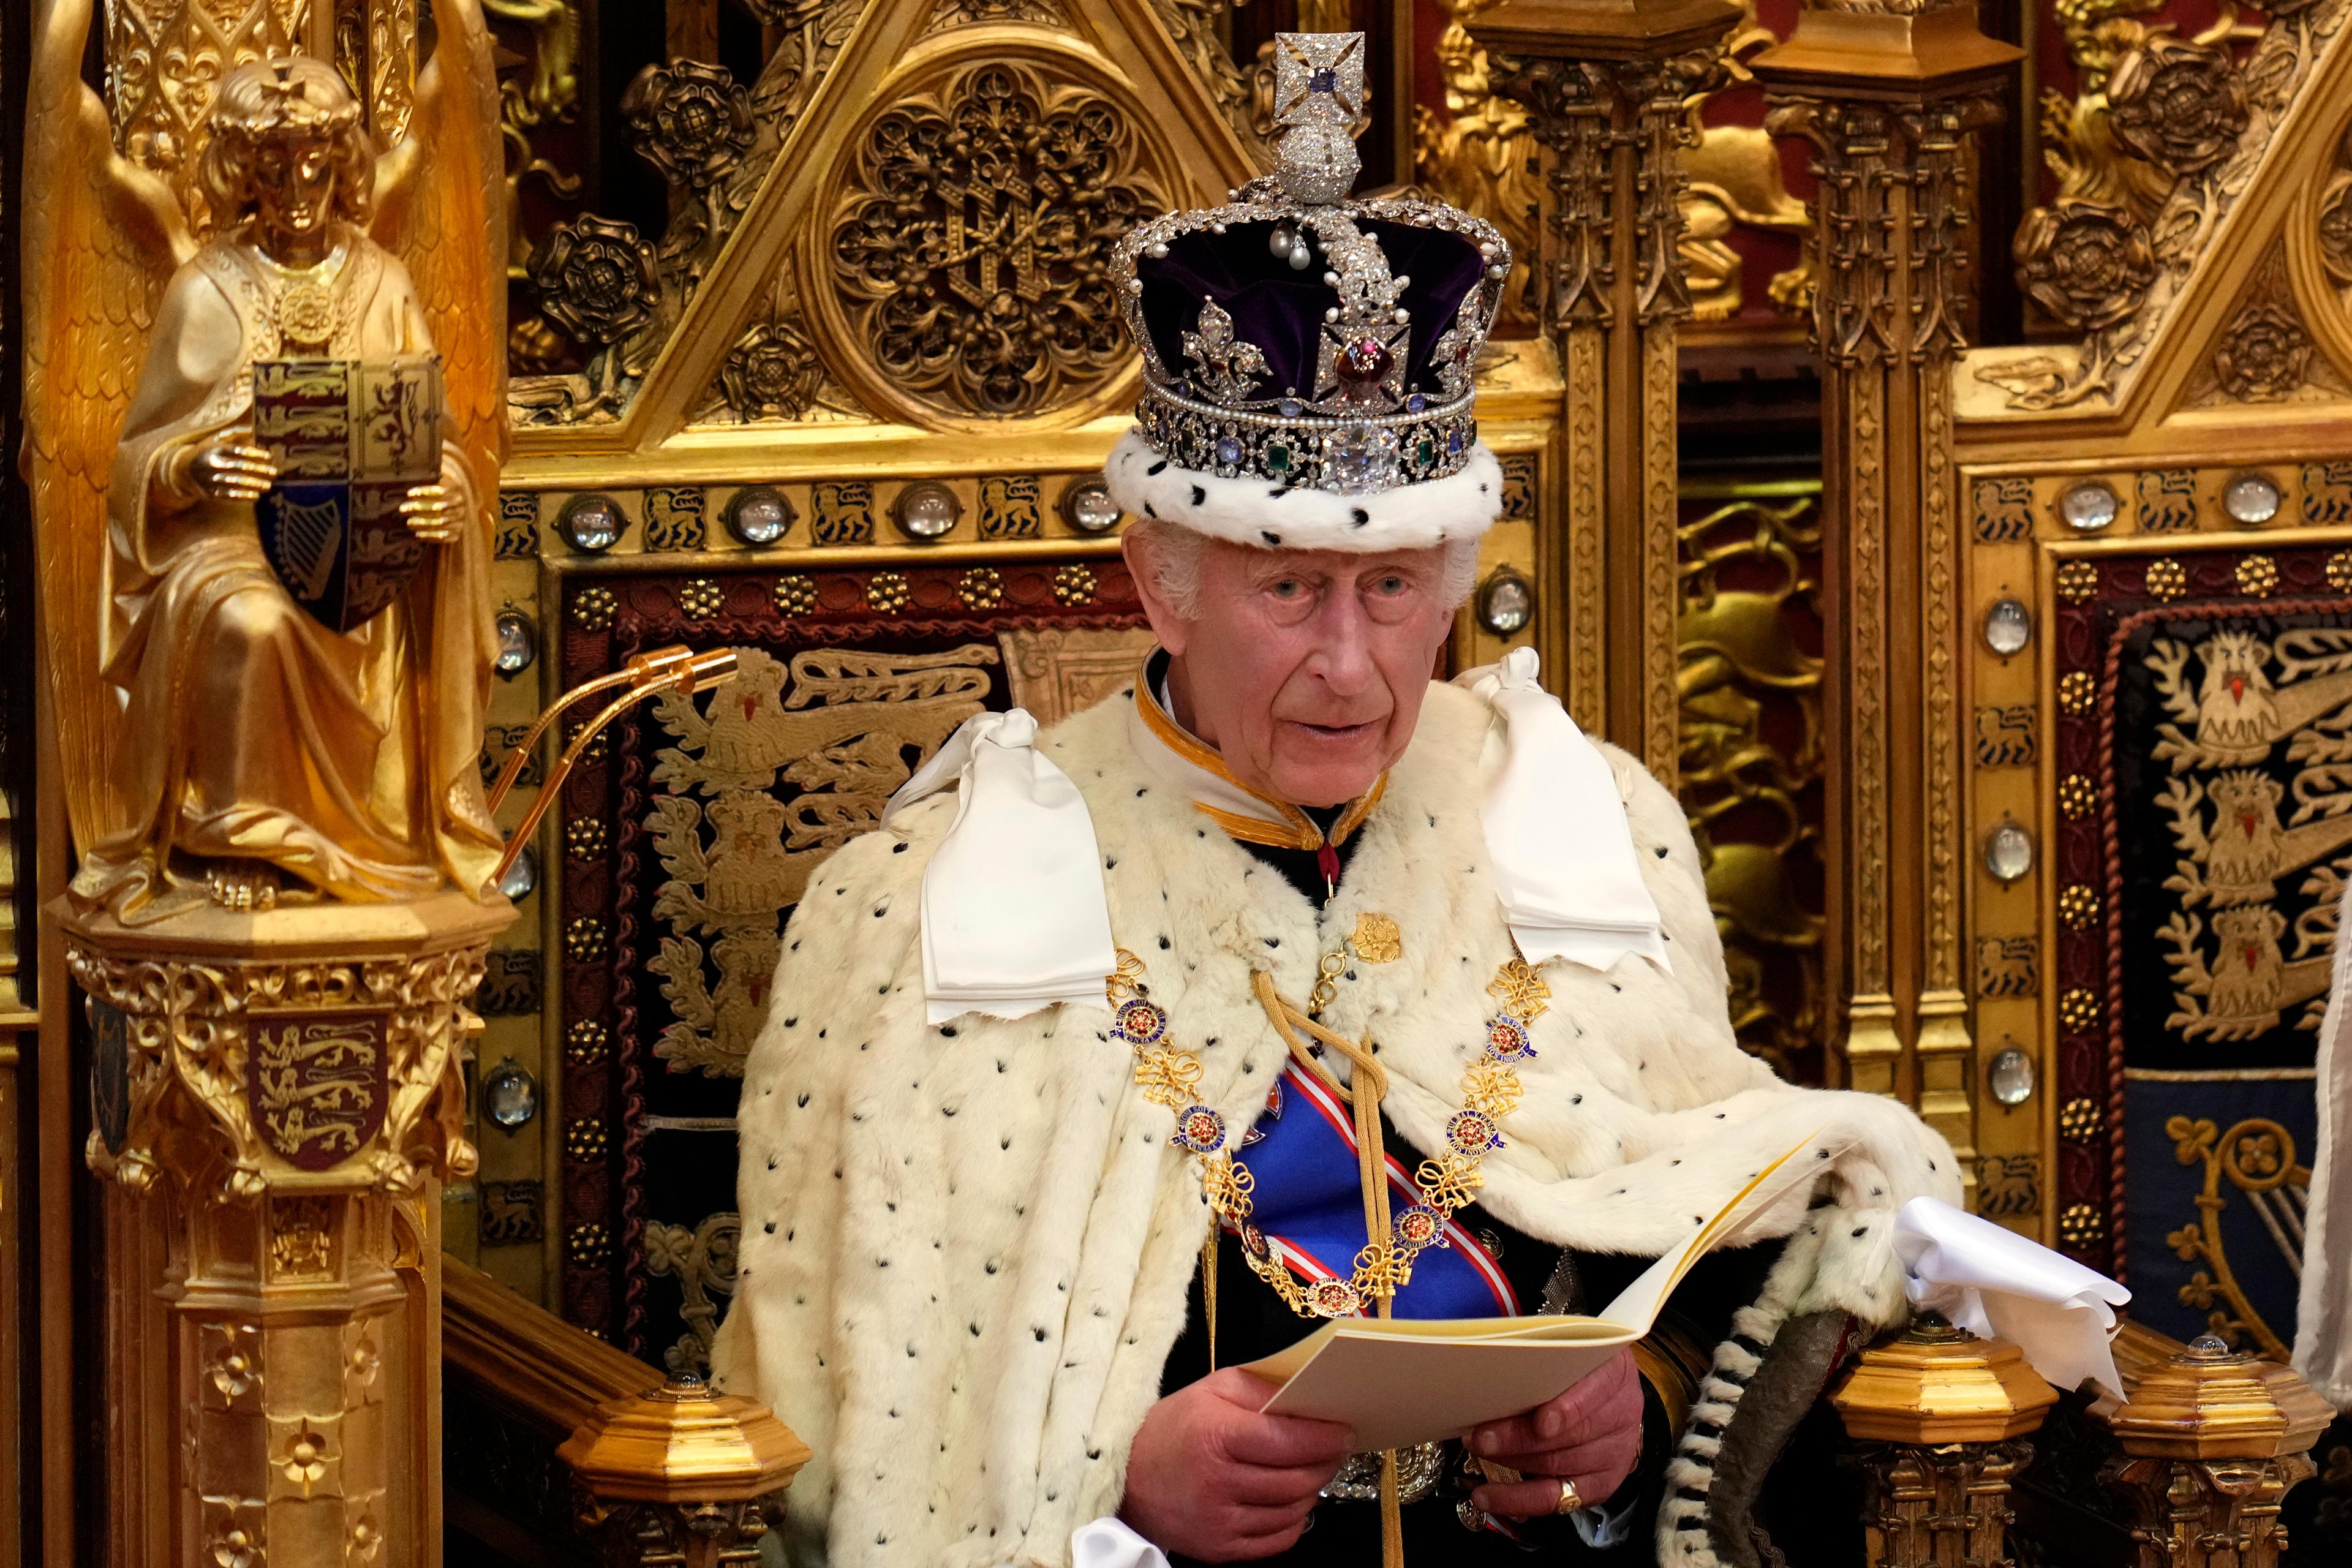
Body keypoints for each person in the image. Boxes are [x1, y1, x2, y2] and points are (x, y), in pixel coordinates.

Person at [713, 32, 1957, 1567]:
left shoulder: (1576, 819)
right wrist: (1113, 1475)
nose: (1354, 665)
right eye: (1291, 587)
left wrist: (1630, 1396)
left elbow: (1705, 1215)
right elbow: (852, 1416)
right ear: (1160, 583)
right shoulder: (920, 902)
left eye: (1394, 587)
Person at [73, 55, 501, 919]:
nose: (297, 188)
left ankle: (370, 841)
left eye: (314, 163)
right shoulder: (205, 290)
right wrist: (189, 467)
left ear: (343, 165)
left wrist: (449, 494)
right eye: (273, 169)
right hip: (226, 550)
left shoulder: (384, 281)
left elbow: (436, 441)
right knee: (254, 621)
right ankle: (243, 836)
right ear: (242, 174)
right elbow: (133, 461)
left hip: (363, 556)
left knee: (350, 613)